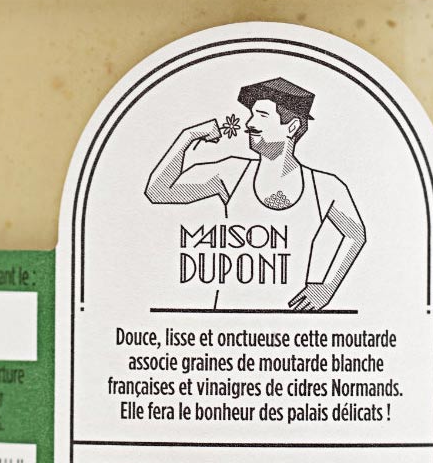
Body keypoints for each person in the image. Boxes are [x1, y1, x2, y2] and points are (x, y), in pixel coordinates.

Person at [145, 77, 366, 310]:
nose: (249, 123)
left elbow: (356, 234)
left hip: (292, 325)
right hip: (227, 323)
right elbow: (157, 191)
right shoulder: (232, 173)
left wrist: (327, 287)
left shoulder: (325, 187)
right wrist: (189, 136)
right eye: (252, 115)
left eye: (262, 115)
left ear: (291, 127)